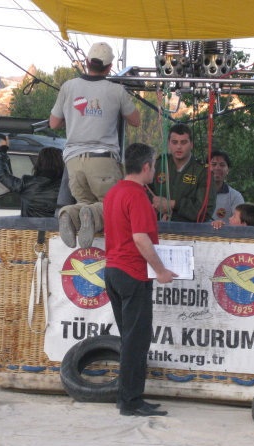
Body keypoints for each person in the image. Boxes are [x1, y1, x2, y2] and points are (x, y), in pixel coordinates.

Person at [103, 143, 177, 416]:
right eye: (154, 166)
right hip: (132, 272)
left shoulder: (113, 192)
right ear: (146, 167)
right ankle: (130, 400)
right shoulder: (137, 196)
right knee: (137, 341)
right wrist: (161, 270)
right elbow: (140, 238)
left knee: (129, 339)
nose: (155, 171)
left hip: (112, 269)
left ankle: (129, 396)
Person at [50, 42, 141, 248]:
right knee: (113, 206)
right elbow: (135, 120)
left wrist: (72, 118)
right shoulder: (116, 91)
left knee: (83, 204)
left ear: (86, 62)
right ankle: (86, 215)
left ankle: (69, 214)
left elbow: (53, 123)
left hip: (73, 161)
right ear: (109, 68)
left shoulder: (68, 87)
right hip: (102, 160)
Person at [149, 123, 216, 222]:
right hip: (157, 227)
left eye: (183, 142)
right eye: (174, 142)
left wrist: (173, 204)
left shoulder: (202, 172)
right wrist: (155, 203)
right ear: (169, 144)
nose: (179, 147)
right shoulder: (158, 164)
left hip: (188, 232)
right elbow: (143, 191)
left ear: (191, 144)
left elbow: (205, 211)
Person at [0, 137, 63, 217]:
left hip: (29, 228)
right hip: (57, 228)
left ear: (40, 163)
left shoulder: (26, 184)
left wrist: (3, 149)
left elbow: (2, 174)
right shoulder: (65, 188)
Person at [210, 151, 244, 223]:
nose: (217, 168)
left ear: (228, 170)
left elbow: (240, 223)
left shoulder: (235, 197)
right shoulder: (195, 192)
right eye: (213, 164)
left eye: (222, 165)